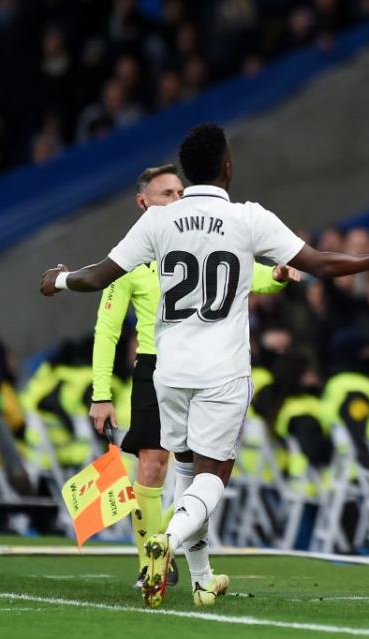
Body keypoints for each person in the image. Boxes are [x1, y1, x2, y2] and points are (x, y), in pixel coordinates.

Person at [39, 122, 369, 608]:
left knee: (184, 470)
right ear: (227, 166)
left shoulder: (159, 221)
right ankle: (168, 542)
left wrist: (60, 279)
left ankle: (201, 581)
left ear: (187, 172)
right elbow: (320, 265)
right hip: (222, 371)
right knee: (213, 473)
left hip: (169, 370)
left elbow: (99, 277)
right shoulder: (248, 218)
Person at [89, 164, 299, 590]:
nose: (176, 198)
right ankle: (153, 560)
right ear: (143, 202)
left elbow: (249, 276)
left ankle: (169, 544)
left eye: (180, 190)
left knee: (193, 467)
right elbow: (107, 329)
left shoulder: (198, 240)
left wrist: (276, 276)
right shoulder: (129, 259)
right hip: (153, 366)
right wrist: (100, 393)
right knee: (153, 462)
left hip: (195, 365)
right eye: (166, 193)